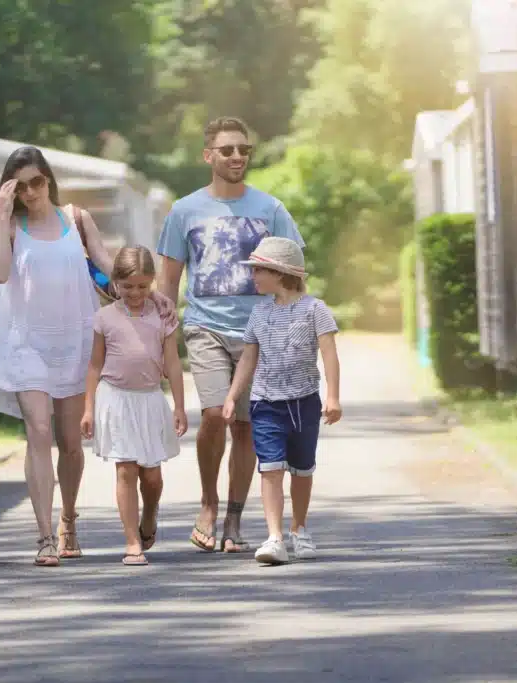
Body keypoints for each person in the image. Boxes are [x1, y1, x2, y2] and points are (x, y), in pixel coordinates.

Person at [0, 145, 175, 567]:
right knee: (39, 432)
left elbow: (110, 271)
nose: (32, 192)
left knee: (71, 442)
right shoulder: (11, 226)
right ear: (12, 190)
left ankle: (68, 517)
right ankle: (45, 536)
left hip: (74, 341)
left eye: (37, 182)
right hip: (26, 342)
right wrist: (0, 212)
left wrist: (151, 296)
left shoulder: (76, 219)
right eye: (22, 186)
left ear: (48, 179)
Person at [156, 116, 306, 554]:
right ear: (209, 156)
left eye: (244, 149)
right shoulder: (185, 211)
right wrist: (160, 340)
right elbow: (168, 284)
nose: (237, 156)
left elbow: (294, 274)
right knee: (214, 415)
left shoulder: (271, 209)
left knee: (245, 427)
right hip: (205, 326)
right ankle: (207, 502)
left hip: (258, 333)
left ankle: (235, 516)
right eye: (227, 150)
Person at [222, 237, 342, 565]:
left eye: (259, 270)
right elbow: (248, 358)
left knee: (302, 469)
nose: (254, 276)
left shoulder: (315, 310)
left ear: (280, 272)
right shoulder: (259, 313)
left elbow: (330, 355)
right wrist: (233, 396)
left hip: (304, 401)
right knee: (271, 468)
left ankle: (299, 528)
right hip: (266, 403)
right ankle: (274, 537)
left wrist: (332, 396)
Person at [81, 246, 188, 566]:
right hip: (115, 399)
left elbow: (173, 363)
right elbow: (94, 366)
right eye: (127, 286)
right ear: (115, 283)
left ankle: (150, 514)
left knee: (151, 476)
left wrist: (179, 407)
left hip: (150, 399)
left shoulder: (162, 317)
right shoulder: (104, 318)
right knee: (125, 469)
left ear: (152, 283)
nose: (135, 293)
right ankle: (131, 542)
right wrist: (88, 408)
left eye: (143, 286)